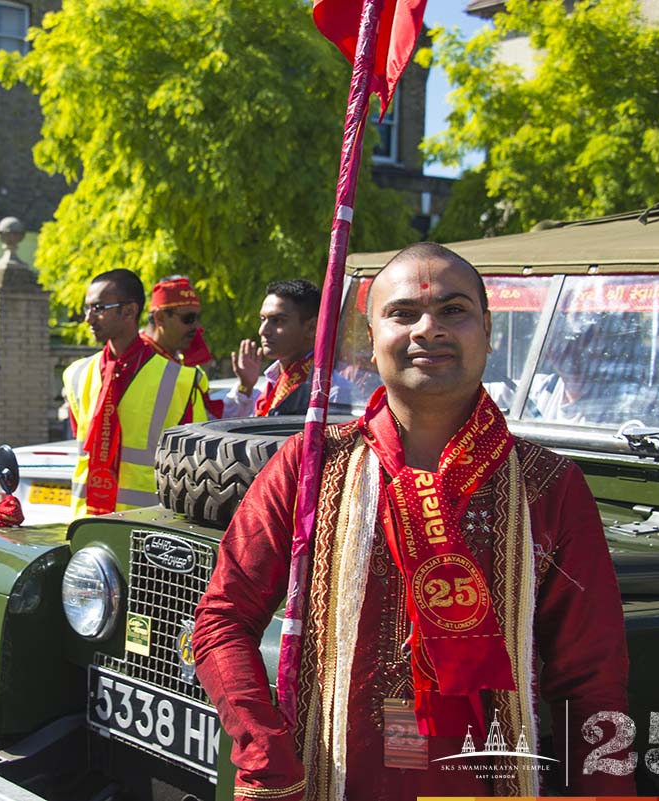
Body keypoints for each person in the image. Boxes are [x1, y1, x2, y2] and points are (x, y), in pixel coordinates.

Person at [192, 242, 633, 800]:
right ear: (369, 339)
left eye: (454, 311)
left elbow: (592, 682)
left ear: (488, 332)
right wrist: (266, 755)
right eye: (403, 313)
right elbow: (221, 622)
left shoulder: (549, 486)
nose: (429, 328)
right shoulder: (310, 467)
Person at [63, 268, 208, 518]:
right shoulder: (75, 374)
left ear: (129, 311)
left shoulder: (183, 380)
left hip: (147, 526)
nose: (88, 319)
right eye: (87, 308)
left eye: (98, 308)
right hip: (83, 521)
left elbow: (196, 463)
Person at [227, 278, 351, 416]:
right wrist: (246, 386)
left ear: (312, 327)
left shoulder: (332, 390)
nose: (263, 330)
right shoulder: (269, 384)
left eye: (278, 321)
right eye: (263, 319)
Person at [140, 275, 225, 418]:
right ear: (160, 318)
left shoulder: (181, 363)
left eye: (198, 318)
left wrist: (245, 389)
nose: (197, 327)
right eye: (188, 318)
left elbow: (211, 416)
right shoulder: (137, 361)